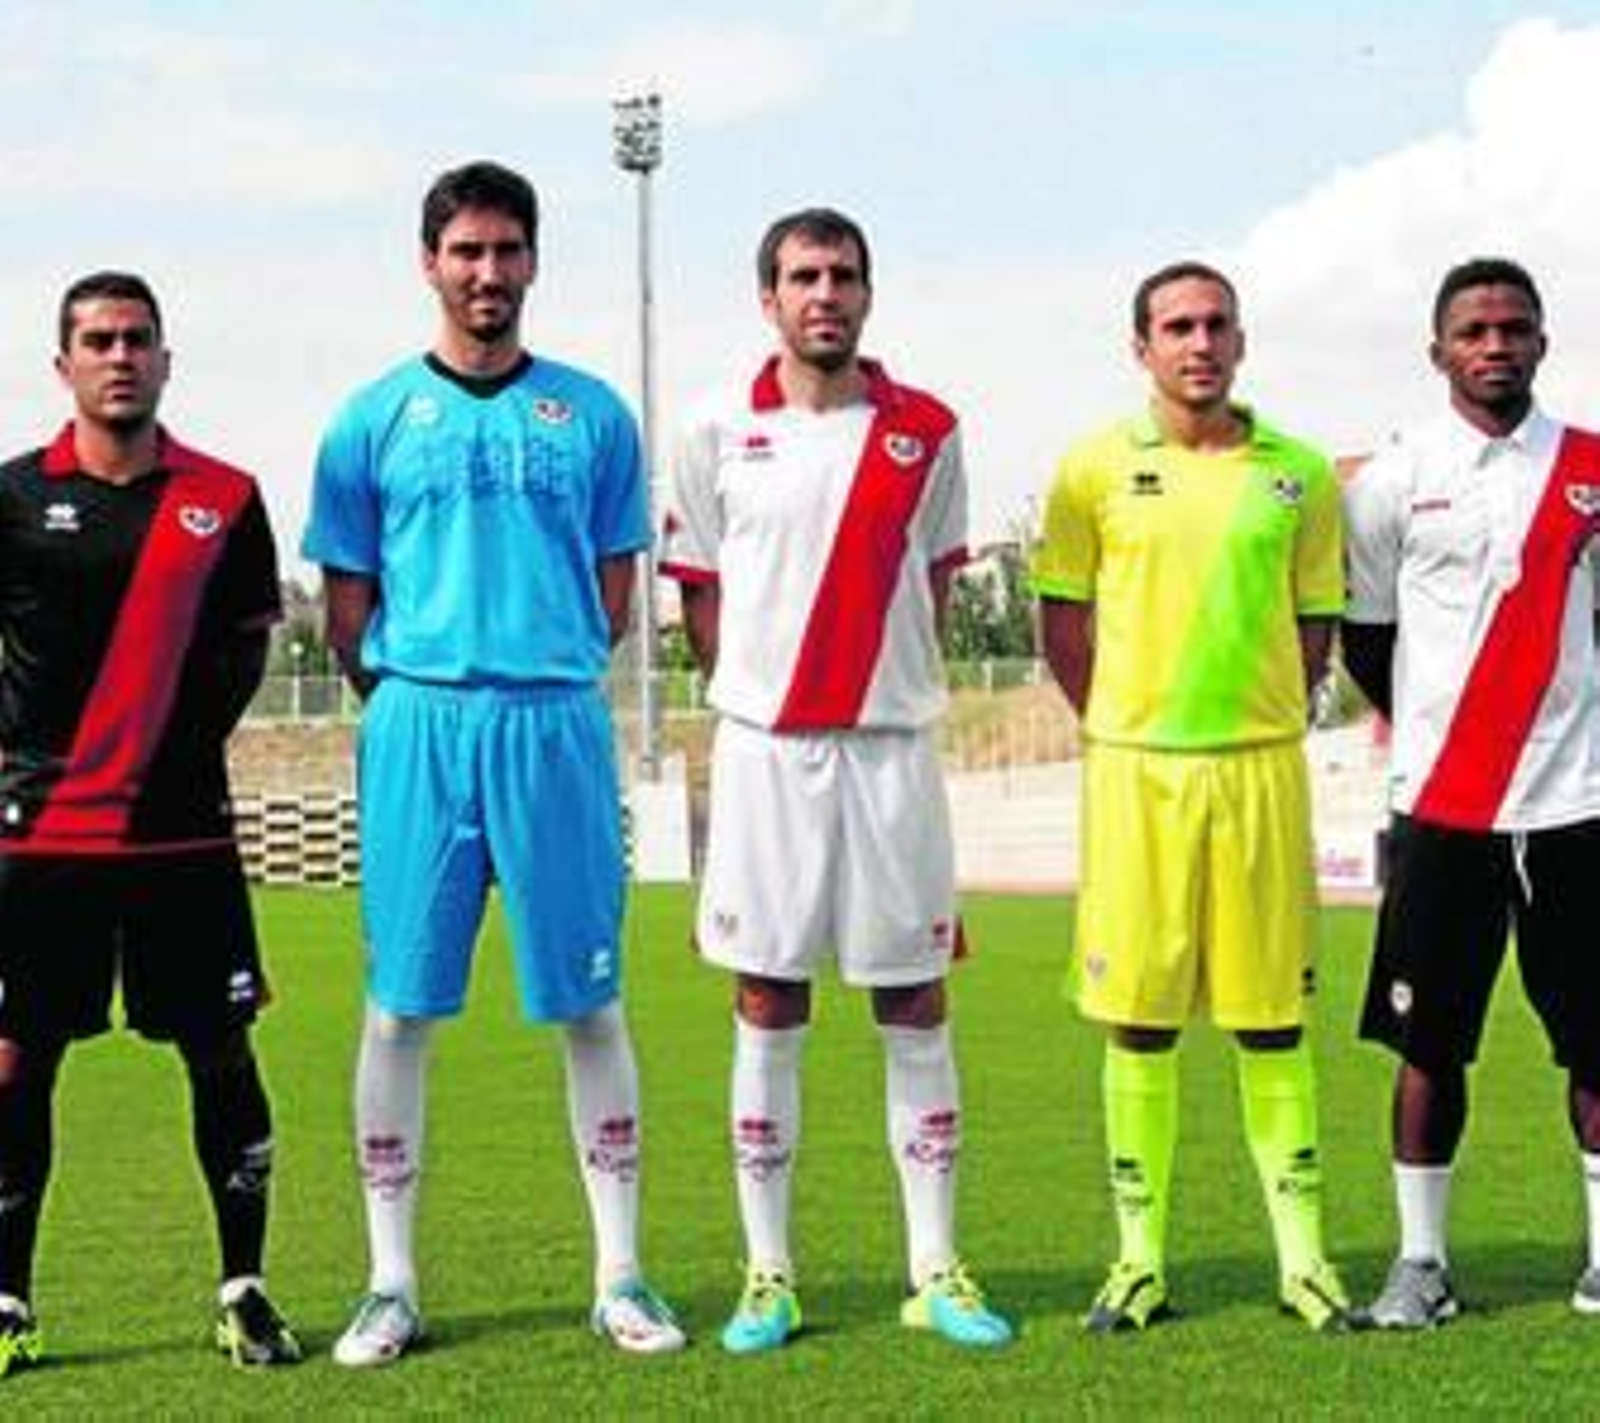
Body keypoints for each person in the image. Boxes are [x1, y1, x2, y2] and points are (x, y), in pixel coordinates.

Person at [302, 160, 683, 1366]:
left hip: (553, 722)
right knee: (399, 1008)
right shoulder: (370, 419)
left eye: (507, 250)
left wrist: (530, 656)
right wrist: (426, 683)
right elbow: (345, 605)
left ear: (532, 261)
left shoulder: (592, 414)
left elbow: (614, 597)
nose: (487, 272)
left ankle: (621, 1271)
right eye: (465, 251)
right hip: (420, 724)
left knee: (589, 1000)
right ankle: (390, 1279)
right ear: (429, 262)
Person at [660, 207, 1013, 1354]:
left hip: (892, 753)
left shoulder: (930, 429)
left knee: (912, 999)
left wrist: (873, 688)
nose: (825, 293)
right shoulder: (715, 426)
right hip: (766, 754)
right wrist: (763, 695)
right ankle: (769, 1273)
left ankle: (934, 1266)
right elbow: (699, 593)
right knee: (768, 999)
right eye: (803, 276)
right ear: (767, 297)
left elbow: (940, 587)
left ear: (868, 292)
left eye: (844, 275)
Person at [1032, 261, 1351, 1334]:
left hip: (1259, 767)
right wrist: (1127, 719)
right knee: (1139, 1018)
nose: (1198, 343)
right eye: (1176, 326)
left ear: (1241, 340)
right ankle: (1138, 1261)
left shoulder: (1298, 474)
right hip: (1136, 774)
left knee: (1271, 1021)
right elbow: (1062, 627)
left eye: (1216, 324)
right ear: (1140, 348)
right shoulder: (1089, 471)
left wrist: (1261, 707)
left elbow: (1315, 627)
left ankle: (1304, 1261)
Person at [0, 272, 300, 1377]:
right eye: (98, 340)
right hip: (43, 840)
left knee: (220, 1058)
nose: (119, 355)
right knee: (16, 1066)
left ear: (166, 359)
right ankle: (6, 1298)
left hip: (184, 838)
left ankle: (245, 1288)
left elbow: (246, 648)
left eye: (138, 339)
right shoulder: (15, 497)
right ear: (64, 364)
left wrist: (171, 756)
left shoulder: (224, 494)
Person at [1342, 257, 1600, 1327]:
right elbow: (1368, 640)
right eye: (1474, 331)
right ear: (1438, 350)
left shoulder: (1589, 466)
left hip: (1577, 804)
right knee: (1427, 1044)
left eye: (1514, 328)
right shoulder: (1392, 479)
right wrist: (1451, 733)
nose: (1495, 345)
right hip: (1443, 808)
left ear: (1541, 341)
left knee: (1596, 1041)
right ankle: (1422, 1265)